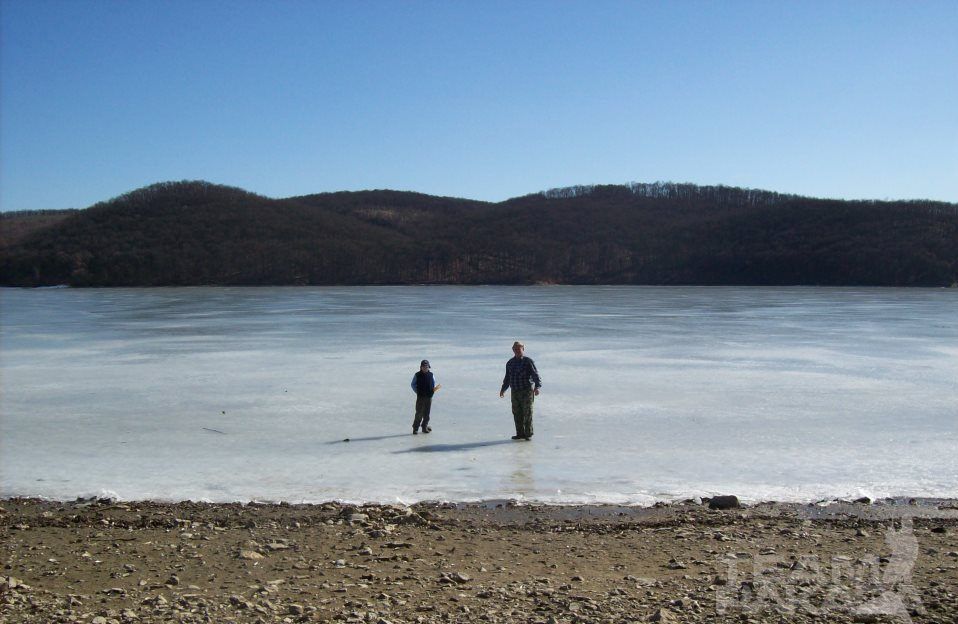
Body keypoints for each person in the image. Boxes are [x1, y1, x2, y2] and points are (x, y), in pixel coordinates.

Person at [499, 341, 542, 440]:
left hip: (526, 391)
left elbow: (535, 375)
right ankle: (520, 434)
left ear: (523, 349)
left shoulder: (528, 361)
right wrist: (503, 389)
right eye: (515, 349)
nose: (517, 350)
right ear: (513, 350)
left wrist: (537, 387)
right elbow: (507, 378)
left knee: (527, 413)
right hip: (515, 391)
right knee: (517, 413)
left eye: (519, 348)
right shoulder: (510, 363)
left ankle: (528, 434)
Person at [411, 359, 440, 434]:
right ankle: (415, 428)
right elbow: (413, 384)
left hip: (429, 397)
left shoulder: (431, 375)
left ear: (428, 367)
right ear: (420, 367)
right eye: (423, 366)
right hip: (420, 397)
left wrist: (432, 392)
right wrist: (417, 392)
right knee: (419, 413)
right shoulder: (417, 375)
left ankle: (424, 427)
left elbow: (433, 383)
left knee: (426, 414)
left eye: (426, 366)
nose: (425, 368)